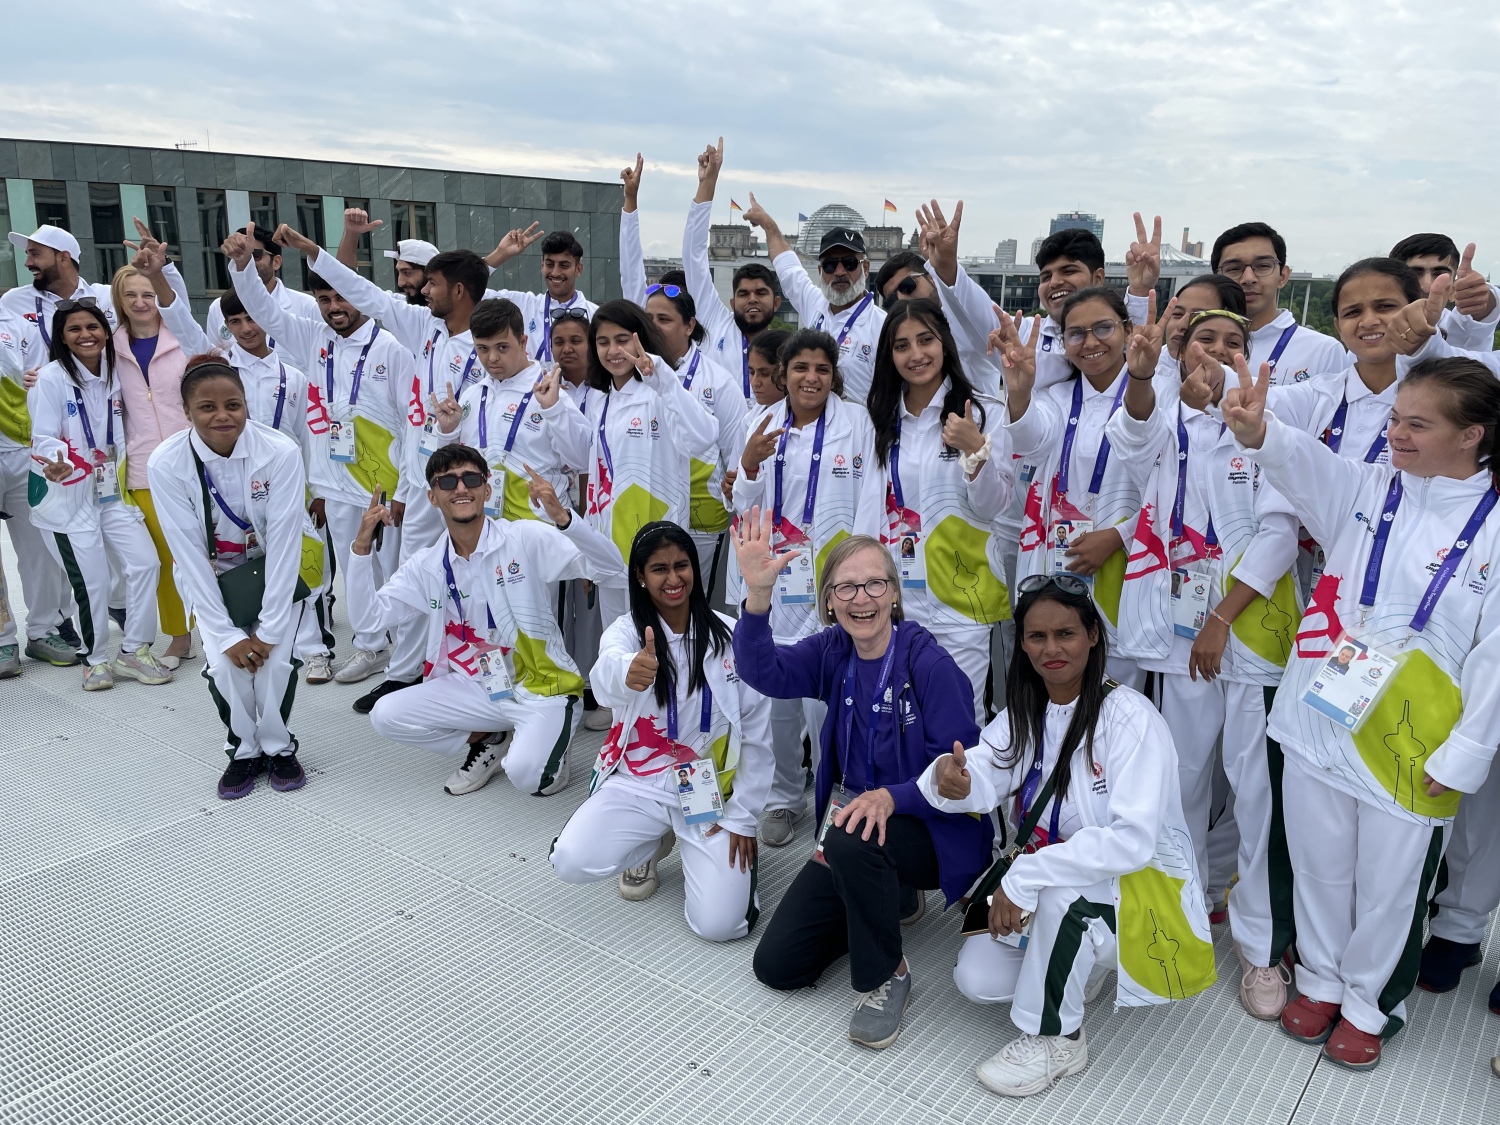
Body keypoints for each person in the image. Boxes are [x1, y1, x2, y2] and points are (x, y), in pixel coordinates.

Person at [1222, 352, 1500, 1070]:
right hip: (1324, 713)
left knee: (1390, 882)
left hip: (1413, 740)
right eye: (1394, 419)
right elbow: (1296, 458)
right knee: (1318, 864)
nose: (1397, 434)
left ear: (1472, 435)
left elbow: (1496, 657)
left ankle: (1371, 1000)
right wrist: (1258, 430)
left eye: (1417, 423)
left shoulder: (1495, 525)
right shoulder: (1369, 484)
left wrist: (1466, 752)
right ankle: (1316, 977)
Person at [919, 574, 1216, 1097]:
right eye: (1037, 637)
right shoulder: (1027, 710)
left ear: (1093, 637)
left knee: (1064, 897)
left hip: (1140, 891)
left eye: (1066, 634)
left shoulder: (1130, 719)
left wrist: (1025, 877)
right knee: (979, 979)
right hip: (1053, 880)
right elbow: (986, 769)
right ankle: (1079, 968)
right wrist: (953, 777)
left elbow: (1131, 842)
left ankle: (1058, 1039)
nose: (1051, 649)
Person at [1108, 306, 1301, 1020]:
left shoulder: (1270, 426)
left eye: (1232, 342)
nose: (1216, 351)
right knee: (1183, 781)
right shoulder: (1166, 420)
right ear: (1180, 353)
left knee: (1253, 792)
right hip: (1176, 631)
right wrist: (1140, 372)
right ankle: (1182, 910)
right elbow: (1130, 438)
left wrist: (1223, 617)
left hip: (1246, 632)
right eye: (1202, 341)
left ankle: (1258, 948)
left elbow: (1280, 533)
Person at [733, 519, 990, 1050]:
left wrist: (892, 797)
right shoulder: (833, 651)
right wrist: (759, 597)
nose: (861, 598)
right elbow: (767, 672)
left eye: (875, 584)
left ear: (894, 593)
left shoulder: (931, 666)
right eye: (845, 588)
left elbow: (961, 776)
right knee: (778, 965)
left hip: (930, 827)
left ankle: (887, 974)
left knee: (851, 835)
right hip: (856, 825)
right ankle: (884, 896)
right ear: (829, 601)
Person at [278, 223, 492, 712]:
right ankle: (404, 672)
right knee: (415, 573)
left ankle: (471, 668)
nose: (422, 290)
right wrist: (314, 251)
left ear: (457, 290)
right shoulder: (425, 329)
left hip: (472, 486)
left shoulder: (489, 340)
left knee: (472, 577)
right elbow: (364, 294)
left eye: (431, 283)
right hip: (421, 480)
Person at [355, 444, 625, 796]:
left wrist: (565, 520)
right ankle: (488, 736)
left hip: (541, 687)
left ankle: (550, 736)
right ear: (433, 497)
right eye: (447, 482)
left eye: (470, 478)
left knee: (531, 781)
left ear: (487, 487)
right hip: (477, 686)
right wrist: (361, 548)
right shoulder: (428, 564)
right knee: (385, 714)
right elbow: (370, 618)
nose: (461, 488)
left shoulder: (523, 538)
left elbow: (611, 567)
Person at [550, 521, 773, 935]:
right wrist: (627, 674)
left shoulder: (729, 636)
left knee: (720, 926)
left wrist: (743, 818)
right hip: (639, 781)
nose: (673, 579)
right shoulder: (626, 632)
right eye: (659, 569)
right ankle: (649, 842)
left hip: (705, 787)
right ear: (639, 575)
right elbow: (605, 674)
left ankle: (698, 850)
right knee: (570, 860)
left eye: (682, 565)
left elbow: (758, 734)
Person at [226, 222, 418, 688]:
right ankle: (371, 646)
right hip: (335, 479)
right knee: (355, 564)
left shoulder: (392, 348)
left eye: (342, 299)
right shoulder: (313, 338)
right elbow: (262, 310)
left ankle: (412, 655)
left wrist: (407, 489)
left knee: (396, 569)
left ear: (361, 297)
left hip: (384, 481)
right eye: (325, 300)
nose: (334, 309)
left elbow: (413, 423)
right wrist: (241, 266)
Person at [730, 329, 880, 846]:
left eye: (821, 369)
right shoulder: (762, 424)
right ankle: (782, 796)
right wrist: (749, 463)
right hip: (777, 583)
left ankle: (832, 795)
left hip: (834, 585)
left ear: (832, 375)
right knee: (777, 701)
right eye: (800, 369)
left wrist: (860, 575)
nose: (811, 378)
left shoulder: (857, 423)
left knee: (831, 702)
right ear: (783, 375)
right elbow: (742, 505)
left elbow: (871, 499)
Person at [146, 357, 315, 798]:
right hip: (212, 576)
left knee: (276, 662)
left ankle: (279, 748)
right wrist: (225, 633)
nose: (222, 416)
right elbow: (187, 554)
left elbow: (284, 545)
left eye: (233, 405)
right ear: (186, 412)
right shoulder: (167, 463)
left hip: (269, 573)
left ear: (246, 405)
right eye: (206, 408)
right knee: (225, 666)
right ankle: (243, 751)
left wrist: (272, 627)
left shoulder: (279, 451)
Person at [993, 287, 1151, 689]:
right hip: (1055, 560)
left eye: (1103, 328)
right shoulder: (1055, 397)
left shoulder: (1155, 396)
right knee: (1052, 682)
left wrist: (1118, 536)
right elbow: (1030, 443)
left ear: (1127, 329)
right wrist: (1020, 391)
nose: (1091, 342)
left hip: (1122, 561)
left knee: (1115, 691)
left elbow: (1168, 488)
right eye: (1076, 334)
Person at [866, 298, 1013, 717]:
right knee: (899, 720)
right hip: (894, 603)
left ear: (945, 344)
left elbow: (992, 508)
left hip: (963, 603)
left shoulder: (985, 411)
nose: (916, 355)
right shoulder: (878, 419)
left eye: (926, 340)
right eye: (902, 345)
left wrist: (975, 449)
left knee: (960, 724)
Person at [620, 156, 749, 596]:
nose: (655, 327)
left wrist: (705, 189)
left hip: (705, 524)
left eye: (666, 320)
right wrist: (630, 206)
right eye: (649, 319)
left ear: (691, 325)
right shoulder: (636, 377)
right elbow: (630, 274)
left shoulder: (717, 380)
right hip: (653, 516)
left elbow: (736, 454)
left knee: (698, 621)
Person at [26, 298, 170, 690]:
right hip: (66, 499)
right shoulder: (51, 379)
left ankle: (134, 651)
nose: (85, 335)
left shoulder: (117, 373)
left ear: (106, 331)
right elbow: (42, 435)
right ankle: (96, 659)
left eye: (92, 327)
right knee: (91, 582)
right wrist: (58, 461)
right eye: (74, 329)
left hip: (110, 493)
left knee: (145, 563)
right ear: (62, 337)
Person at [1, 223, 113, 663]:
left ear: (64, 256)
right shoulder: (13, 302)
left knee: (43, 545)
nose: (28, 261)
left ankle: (46, 627)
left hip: (68, 446)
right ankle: (3, 637)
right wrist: (27, 373)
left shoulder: (103, 298)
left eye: (36, 253)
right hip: (19, 435)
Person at [581, 301, 716, 628]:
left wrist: (663, 379)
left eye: (622, 339)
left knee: (664, 649)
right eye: (603, 342)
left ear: (641, 340)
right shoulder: (599, 400)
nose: (613, 350)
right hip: (611, 556)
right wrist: (589, 555)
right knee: (619, 653)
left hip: (658, 556)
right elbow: (597, 478)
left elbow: (704, 437)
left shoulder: (663, 394)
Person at [109, 257, 195, 669]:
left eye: (147, 293)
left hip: (193, 460)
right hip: (143, 467)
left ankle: (221, 625)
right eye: (132, 295)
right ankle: (180, 636)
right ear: (120, 301)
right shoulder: (110, 349)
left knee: (205, 550)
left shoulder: (183, 338)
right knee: (163, 559)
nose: (141, 302)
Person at [742, 195, 886, 405]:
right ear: (820, 271)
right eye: (830, 265)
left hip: (859, 433)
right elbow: (788, 267)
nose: (839, 272)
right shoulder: (816, 303)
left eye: (849, 263)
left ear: (865, 268)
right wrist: (768, 225)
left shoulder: (883, 325)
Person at [684, 139, 785, 397]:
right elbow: (693, 256)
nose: (752, 299)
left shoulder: (788, 350)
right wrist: (707, 184)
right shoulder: (716, 324)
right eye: (744, 294)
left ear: (776, 303)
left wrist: (771, 229)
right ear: (731, 302)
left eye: (761, 293)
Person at [1210, 222, 1348, 386]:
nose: (1248, 278)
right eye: (1234, 268)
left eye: (1262, 266)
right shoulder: (1195, 345)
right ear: (1216, 279)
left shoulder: (1323, 351)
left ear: (1283, 276)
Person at [484, 226, 598, 363]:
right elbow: (470, 292)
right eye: (550, 264)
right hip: (530, 385)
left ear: (578, 269)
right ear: (542, 266)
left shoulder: (595, 316)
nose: (555, 272)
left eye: (564, 265)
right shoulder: (522, 304)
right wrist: (501, 253)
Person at [205, 224, 321, 346]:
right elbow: (215, 359)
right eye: (240, 255)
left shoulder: (307, 306)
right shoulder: (218, 307)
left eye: (255, 255)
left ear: (276, 262)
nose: (248, 262)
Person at [1389, 234, 1499, 353]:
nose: (1427, 286)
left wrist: (1483, 302)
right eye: (1414, 273)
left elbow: (1473, 333)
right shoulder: (1371, 324)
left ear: (1453, 289)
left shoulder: (1454, 332)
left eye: (1440, 274)